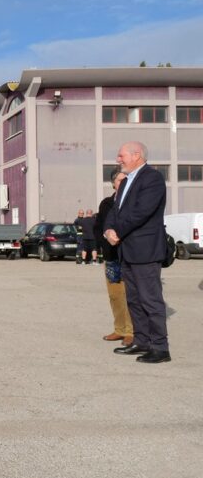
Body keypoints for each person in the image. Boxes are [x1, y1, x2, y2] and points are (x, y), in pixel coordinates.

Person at [105, 141, 170, 363]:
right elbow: (115, 210)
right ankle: (141, 342)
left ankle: (160, 348)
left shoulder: (152, 178)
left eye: (121, 155)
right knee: (133, 299)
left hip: (146, 250)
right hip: (127, 250)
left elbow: (142, 212)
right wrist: (108, 230)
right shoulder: (124, 183)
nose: (117, 159)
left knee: (150, 299)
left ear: (137, 155)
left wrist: (118, 232)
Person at [95, 170, 133, 346]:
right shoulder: (107, 203)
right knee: (115, 295)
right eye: (120, 180)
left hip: (130, 255)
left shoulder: (133, 202)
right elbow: (99, 227)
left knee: (130, 295)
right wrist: (102, 246)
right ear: (113, 183)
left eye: (126, 180)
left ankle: (132, 331)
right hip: (111, 256)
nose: (124, 182)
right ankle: (120, 329)